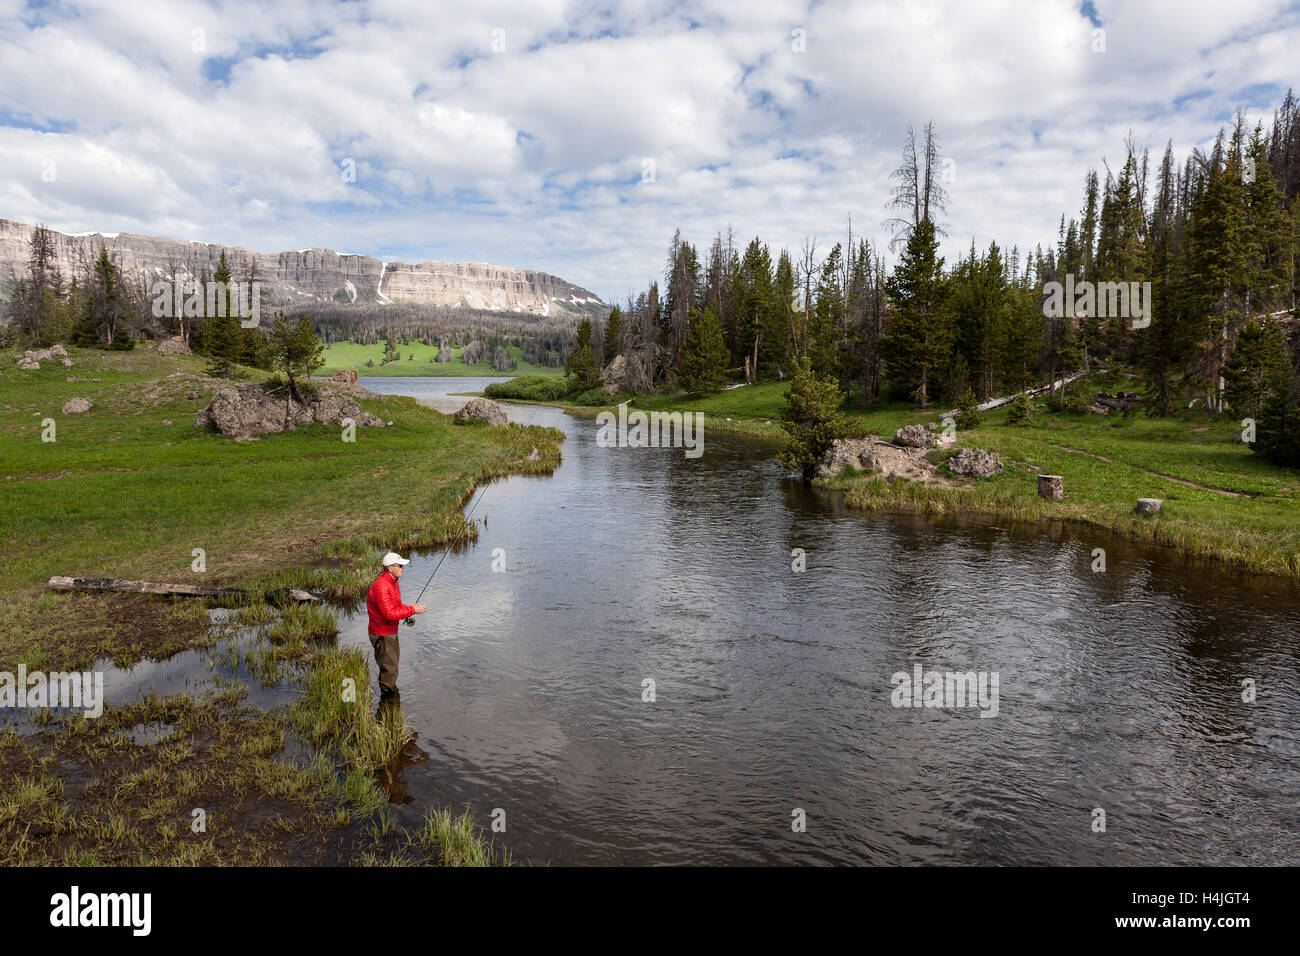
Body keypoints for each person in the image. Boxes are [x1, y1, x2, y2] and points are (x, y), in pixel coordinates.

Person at [365, 552, 426, 696]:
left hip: (389, 633)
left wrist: (409, 610)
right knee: (390, 668)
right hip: (382, 634)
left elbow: (397, 606)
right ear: (390, 568)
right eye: (400, 565)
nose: (403, 568)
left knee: (390, 666)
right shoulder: (382, 586)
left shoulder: (393, 582)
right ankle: (388, 700)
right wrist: (412, 610)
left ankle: (389, 696)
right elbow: (389, 614)